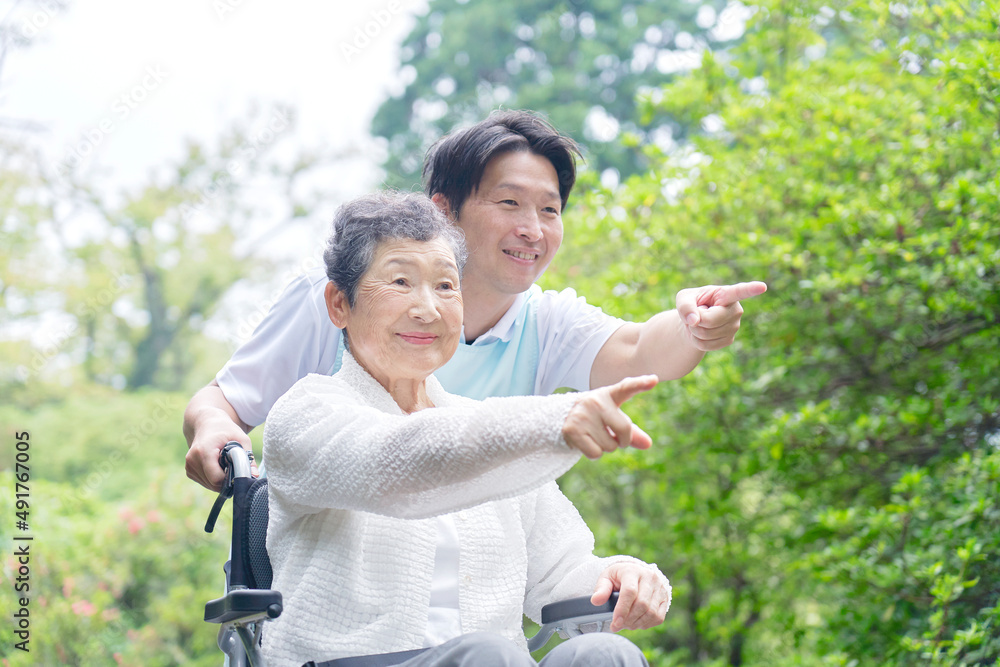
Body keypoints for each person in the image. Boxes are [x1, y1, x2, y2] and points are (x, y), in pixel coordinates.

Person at [184, 109, 767, 490]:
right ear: (443, 211)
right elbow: (224, 400)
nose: (533, 230)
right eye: (509, 204)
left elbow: (640, 348)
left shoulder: (546, 319)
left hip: (472, 596)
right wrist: (214, 431)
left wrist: (695, 324)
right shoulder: (339, 293)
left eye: (549, 210)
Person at [262, 191, 669, 667]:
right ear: (338, 304)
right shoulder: (307, 412)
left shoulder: (479, 426)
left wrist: (620, 576)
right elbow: (399, 464)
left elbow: (559, 571)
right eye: (400, 282)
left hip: (491, 659)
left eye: (445, 286)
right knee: (486, 653)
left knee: (605, 654)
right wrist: (555, 420)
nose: (428, 309)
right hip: (352, 660)